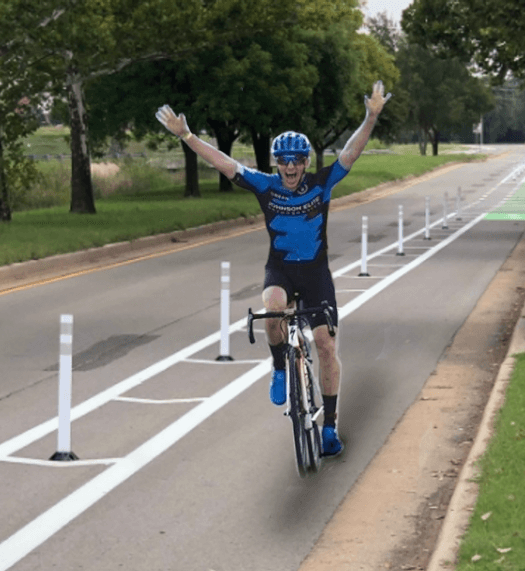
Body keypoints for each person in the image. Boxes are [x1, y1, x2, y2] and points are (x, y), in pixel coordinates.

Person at [155, 81, 391, 457]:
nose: (291, 166)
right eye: (285, 160)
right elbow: (225, 163)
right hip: (280, 269)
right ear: (276, 163)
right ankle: (280, 366)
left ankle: (329, 427)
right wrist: (186, 135)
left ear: (306, 162)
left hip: (315, 273)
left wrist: (371, 117)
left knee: (327, 346)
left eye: (298, 160)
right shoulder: (266, 187)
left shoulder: (320, 185)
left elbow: (351, 153)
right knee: (272, 308)